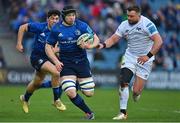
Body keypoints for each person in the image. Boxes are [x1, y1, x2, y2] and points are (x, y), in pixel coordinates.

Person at [98, 5, 163, 120]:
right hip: (130, 56)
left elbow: (159, 41)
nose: (129, 18)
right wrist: (103, 44)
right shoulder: (124, 25)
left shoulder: (147, 24)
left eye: (132, 16)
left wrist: (148, 56)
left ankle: (136, 92)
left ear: (139, 15)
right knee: (123, 81)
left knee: (136, 92)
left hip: (145, 59)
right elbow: (113, 39)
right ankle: (123, 113)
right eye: (127, 15)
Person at [45, 5, 100, 120]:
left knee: (89, 93)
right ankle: (89, 113)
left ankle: (75, 83)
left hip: (82, 62)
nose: (72, 18)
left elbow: (96, 39)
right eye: (69, 15)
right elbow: (48, 47)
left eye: (73, 15)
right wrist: (55, 61)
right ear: (64, 16)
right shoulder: (56, 29)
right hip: (66, 63)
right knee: (70, 92)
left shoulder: (82, 25)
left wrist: (90, 46)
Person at [16, 9, 66, 113]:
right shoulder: (40, 27)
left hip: (49, 59)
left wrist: (57, 50)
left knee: (36, 83)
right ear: (48, 19)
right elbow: (22, 27)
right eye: (52, 18)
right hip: (36, 58)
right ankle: (56, 100)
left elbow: (58, 48)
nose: (55, 21)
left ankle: (25, 99)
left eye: (57, 19)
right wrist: (19, 43)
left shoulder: (60, 31)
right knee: (56, 72)